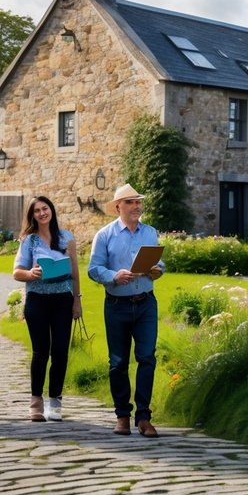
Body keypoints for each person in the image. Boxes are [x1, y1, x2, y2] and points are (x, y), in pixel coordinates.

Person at [88, 183, 164, 437]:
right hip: (117, 305)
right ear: (118, 206)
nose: (136, 206)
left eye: (138, 202)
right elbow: (93, 269)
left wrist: (157, 269)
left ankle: (143, 417)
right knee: (118, 362)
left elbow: (158, 263)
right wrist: (114, 275)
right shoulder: (105, 235)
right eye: (130, 202)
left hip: (145, 303)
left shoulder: (150, 232)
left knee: (147, 358)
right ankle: (122, 415)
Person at [12, 196, 81, 422]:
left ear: (51, 210)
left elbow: (75, 273)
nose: (42, 213)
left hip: (63, 300)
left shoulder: (66, 238)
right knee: (41, 352)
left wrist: (76, 301)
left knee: (60, 352)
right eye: (37, 211)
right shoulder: (29, 241)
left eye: (45, 208)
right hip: (37, 300)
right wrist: (31, 274)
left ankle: (55, 402)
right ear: (32, 215)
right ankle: (36, 403)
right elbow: (17, 272)